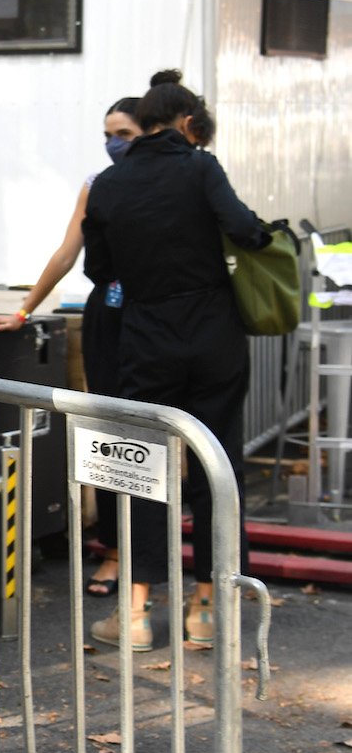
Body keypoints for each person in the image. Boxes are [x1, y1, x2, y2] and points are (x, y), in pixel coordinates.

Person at [82, 70, 267, 652]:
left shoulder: (110, 183)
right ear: (188, 124)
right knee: (218, 465)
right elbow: (243, 229)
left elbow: (98, 269)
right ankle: (207, 608)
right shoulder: (200, 167)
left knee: (141, 466)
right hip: (213, 334)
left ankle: (134, 614)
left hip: (145, 335)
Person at [0, 95, 143, 596]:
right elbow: (67, 252)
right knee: (113, 435)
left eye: (125, 134)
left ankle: (160, 569)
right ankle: (114, 552)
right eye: (108, 133)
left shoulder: (175, 179)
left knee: (159, 441)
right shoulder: (97, 185)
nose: (114, 143)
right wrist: (24, 310)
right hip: (108, 319)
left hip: (160, 323)